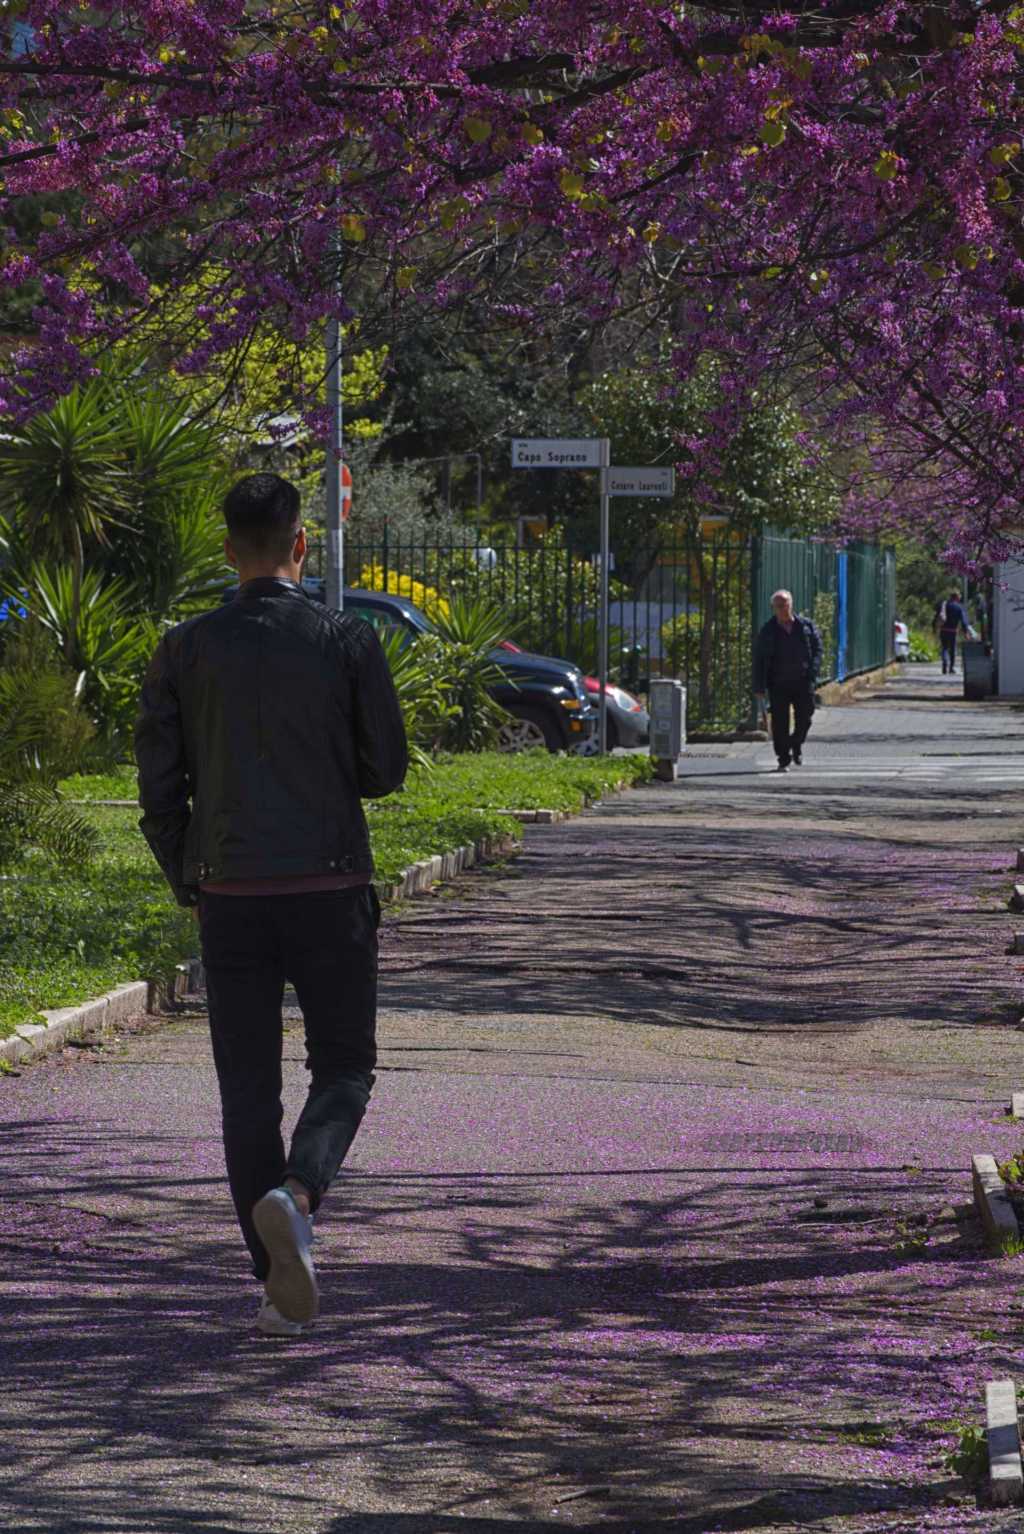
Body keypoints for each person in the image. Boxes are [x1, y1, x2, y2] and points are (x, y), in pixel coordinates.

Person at [135, 473, 408, 1338]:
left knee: (246, 1095)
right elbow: (385, 770)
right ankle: (297, 1195)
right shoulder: (346, 638)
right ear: (300, 546)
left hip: (232, 894)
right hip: (330, 887)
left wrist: (193, 875)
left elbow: (157, 788)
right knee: (346, 1068)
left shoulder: (182, 648)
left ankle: (274, 1284)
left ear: (227, 551)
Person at [753, 589, 822, 773]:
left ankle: (796, 743)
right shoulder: (768, 630)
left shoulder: (805, 626)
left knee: (806, 717)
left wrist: (813, 671)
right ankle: (783, 758)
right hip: (778, 683)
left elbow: (817, 650)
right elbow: (759, 659)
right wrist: (759, 686)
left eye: (785, 605)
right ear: (773, 608)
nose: (783, 609)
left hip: (802, 680)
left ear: (791, 605)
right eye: (779, 606)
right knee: (780, 723)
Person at [933, 588, 971, 675]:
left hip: (943, 630)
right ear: (957, 597)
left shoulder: (944, 605)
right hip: (953, 631)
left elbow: (936, 617)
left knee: (944, 648)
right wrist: (966, 632)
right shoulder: (959, 607)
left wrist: (934, 628)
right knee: (952, 649)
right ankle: (951, 668)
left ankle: (944, 664)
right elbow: (964, 621)